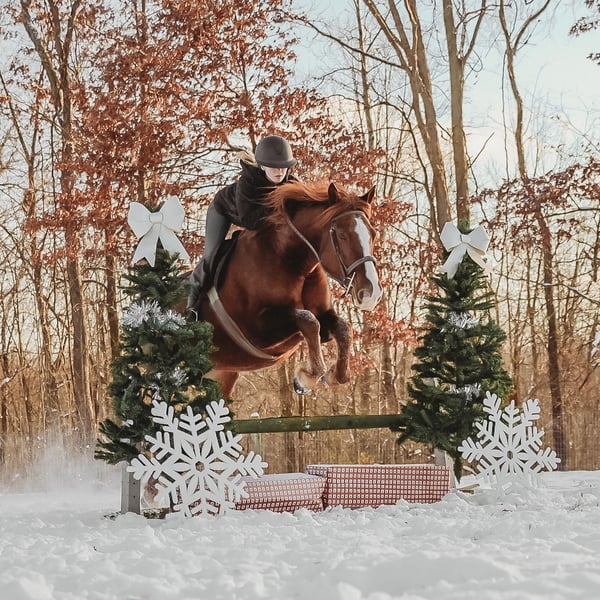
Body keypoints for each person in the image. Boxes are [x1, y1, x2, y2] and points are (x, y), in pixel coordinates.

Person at [187, 134, 297, 310]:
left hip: (256, 218)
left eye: (284, 167)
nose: (280, 171)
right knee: (211, 254)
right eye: (274, 167)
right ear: (262, 166)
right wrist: (279, 205)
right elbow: (250, 221)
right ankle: (191, 297)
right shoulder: (248, 182)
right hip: (224, 211)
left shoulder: (291, 184)